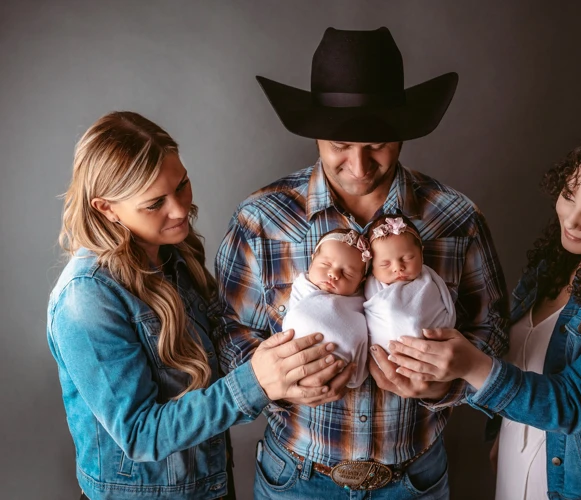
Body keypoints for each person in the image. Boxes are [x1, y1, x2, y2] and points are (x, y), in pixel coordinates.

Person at [215, 27, 509, 498]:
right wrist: (278, 384)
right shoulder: (261, 220)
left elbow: (492, 332)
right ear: (315, 134)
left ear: (402, 133)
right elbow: (228, 333)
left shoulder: (456, 219)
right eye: (339, 145)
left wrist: (442, 386)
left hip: (414, 480)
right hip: (296, 480)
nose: (359, 163)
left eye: (377, 143)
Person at [386, 116, 581, 500]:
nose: (570, 221)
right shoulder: (559, 265)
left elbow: (572, 401)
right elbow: (520, 362)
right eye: (569, 195)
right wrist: (493, 426)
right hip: (525, 472)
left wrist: (468, 366)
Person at [47, 111, 343, 500]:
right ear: (106, 208)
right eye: (154, 203)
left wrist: (290, 377)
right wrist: (257, 381)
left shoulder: (173, 254)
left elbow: (211, 369)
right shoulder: (86, 298)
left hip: (209, 485)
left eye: (182, 185)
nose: (180, 209)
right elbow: (139, 435)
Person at [282, 228, 371, 387]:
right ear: (313, 259)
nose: (334, 274)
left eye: (348, 273)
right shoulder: (303, 287)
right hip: (297, 361)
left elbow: (361, 331)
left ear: (361, 282)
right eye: (325, 264)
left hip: (343, 365)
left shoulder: (360, 301)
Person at [364, 215, 456, 356]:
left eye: (408, 258)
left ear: (421, 254)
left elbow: (442, 307)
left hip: (435, 352)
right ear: (372, 267)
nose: (398, 267)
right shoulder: (371, 286)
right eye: (385, 264)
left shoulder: (428, 280)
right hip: (387, 354)